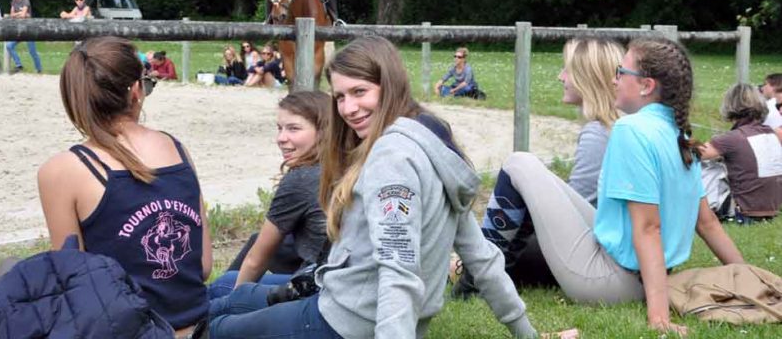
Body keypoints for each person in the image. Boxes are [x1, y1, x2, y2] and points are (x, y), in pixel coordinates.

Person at [208, 36, 539, 339]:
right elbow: (480, 256)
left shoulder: (392, 159)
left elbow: (399, 271)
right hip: (342, 292)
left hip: (343, 322)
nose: (348, 109)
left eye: (360, 91)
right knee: (227, 291)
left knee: (218, 325)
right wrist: (525, 331)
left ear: (389, 85)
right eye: (340, 97)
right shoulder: (430, 145)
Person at [482, 36, 745, 337]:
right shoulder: (675, 130)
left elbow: (648, 228)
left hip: (610, 281)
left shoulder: (630, 129)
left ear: (646, 86)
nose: (613, 79)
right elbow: (707, 222)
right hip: (635, 273)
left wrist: (658, 316)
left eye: (621, 73)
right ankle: (485, 265)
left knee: (519, 163)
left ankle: (477, 275)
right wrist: (746, 275)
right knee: (538, 176)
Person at [37, 36, 212, 337]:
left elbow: (75, 286)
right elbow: (204, 266)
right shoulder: (176, 148)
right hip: (198, 326)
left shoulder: (62, 170)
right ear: (135, 90)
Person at [454, 38, 624, 293]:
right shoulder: (621, 127)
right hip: (617, 253)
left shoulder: (598, 133)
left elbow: (575, 213)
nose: (560, 77)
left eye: (568, 70)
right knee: (495, 240)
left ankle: (475, 278)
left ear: (587, 77)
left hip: (595, 258)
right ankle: (475, 268)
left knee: (491, 241)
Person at [208, 91, 331, 300]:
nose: (281, 138)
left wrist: (233, 303)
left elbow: (256, 260)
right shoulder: (343, 163)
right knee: (266, 241)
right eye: (279, 128)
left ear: (323, 131)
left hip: (319, 291)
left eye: (294, 129)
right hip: (337, 275)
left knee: (223, 287)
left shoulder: (303, 178)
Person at [699, 84, 782, 223]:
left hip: (743, 213)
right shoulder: (772, 133)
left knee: (707, 166)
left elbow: (692, 155)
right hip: (772, 208)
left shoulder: (731, 139)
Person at [5, 0, 43, 74]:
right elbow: (12, 15)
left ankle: (39, 69)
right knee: (9, 46)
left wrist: (19, 14)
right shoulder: (13, 1)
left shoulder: (25, 0)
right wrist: (20, 14)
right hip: (20, 29)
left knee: (32, 51)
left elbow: (23, 14)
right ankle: (19, 65)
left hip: (29, 29)